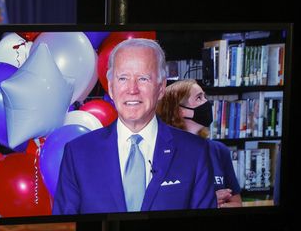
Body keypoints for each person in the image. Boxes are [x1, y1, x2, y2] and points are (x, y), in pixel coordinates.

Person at [52, 38, 216, 214]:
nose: (132, 89)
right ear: (111, 87)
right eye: (123, 78)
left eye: (143, 78)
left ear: (161, 87)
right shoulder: (77, 153)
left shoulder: (195, 152)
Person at [157, 79, 243, 208]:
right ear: (180, 111)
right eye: (199, 98)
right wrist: (209, 202)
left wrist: (217, 206)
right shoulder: (160, 154)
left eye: (204, 96)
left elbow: (237, 203)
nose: (207, 103)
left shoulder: (219, 150)